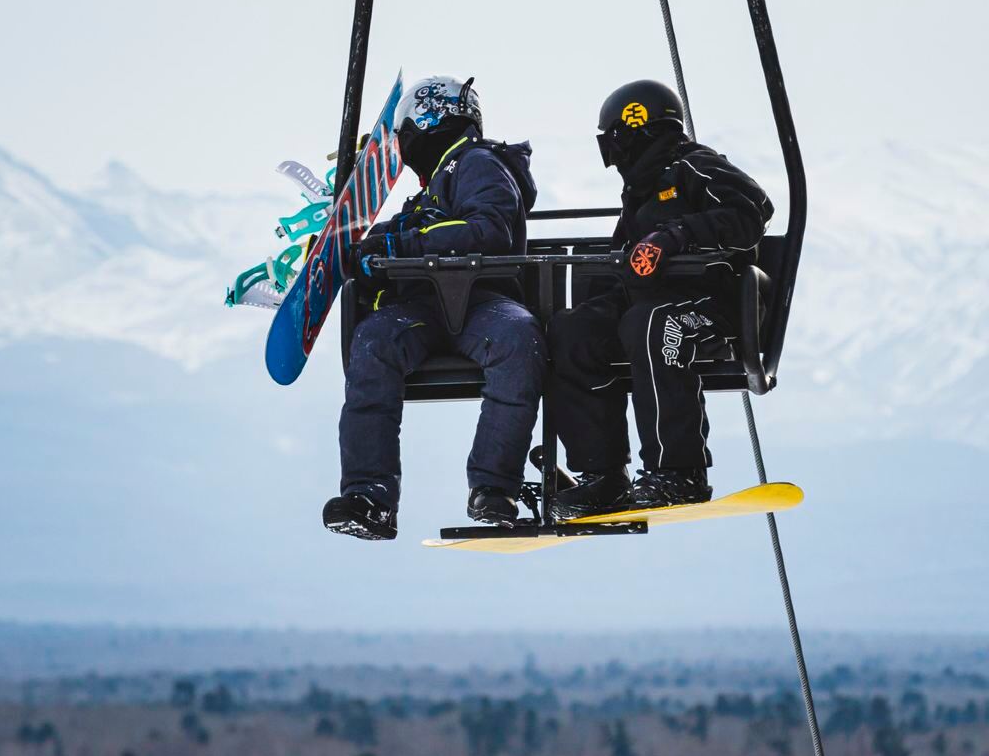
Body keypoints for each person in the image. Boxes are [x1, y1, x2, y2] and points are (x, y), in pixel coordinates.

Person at [323, 76, 546, 540]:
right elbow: (412, 230)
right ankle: (369, 495)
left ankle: (494, 485)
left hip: (483, 303)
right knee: (375, 341)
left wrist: (401, 246)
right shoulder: (432, 188)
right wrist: (362, 249)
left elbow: (489, 228)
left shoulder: (478, 164)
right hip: (423, 307)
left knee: (517, 338)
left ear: (427, 119)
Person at [548, 79, 774, 519]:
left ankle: (679, 471)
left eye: (611, 145)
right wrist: (595, 308)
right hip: (648, 301)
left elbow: (752, 210)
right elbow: (626, 261)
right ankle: (603, 474)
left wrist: (679, 235)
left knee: (653, 325)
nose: (612, 160)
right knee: (572, 331)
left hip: (710, 304)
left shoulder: (696, 167)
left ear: (632, 132)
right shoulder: (641, 192)